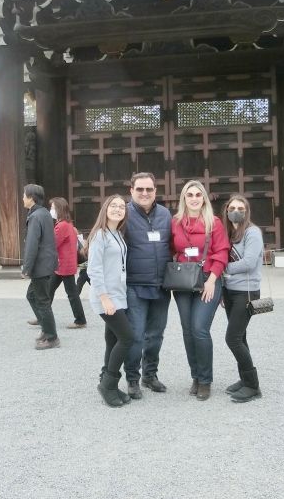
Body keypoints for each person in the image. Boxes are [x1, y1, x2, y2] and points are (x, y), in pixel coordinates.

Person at [170, 180, 229, 401]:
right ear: (184, 198)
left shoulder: (213, 222)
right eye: (189, 195)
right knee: (187, 330)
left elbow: (221, 253)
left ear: (203, 198)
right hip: (183, 280)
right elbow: (169, 249)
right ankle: (195, 375)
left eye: (198, 194)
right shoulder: (175, 223)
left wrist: (212, 280)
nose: (194, 198)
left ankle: (205, 380)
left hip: (207, 279)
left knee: (199, 328)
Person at [123, 172, 173, 399]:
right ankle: (132, 378)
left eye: (149, 189)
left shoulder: (165, 214)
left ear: (155, 191)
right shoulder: (122, 213)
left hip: (162, 286)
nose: (145, 193)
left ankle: (150, 374)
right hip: (135, 285)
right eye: (140, 189)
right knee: (135, 335)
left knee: (156, 335)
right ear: (131, 190)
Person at [87, 194, 133, 407]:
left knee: (113, 340)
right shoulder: (100, 235)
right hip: (106, 296)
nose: (117, 209)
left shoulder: (117, 234)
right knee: (127, 338)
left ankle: (109, 385)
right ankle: (108, 384)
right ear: (105, 209)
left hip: (118, 294)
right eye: (113, 206)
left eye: (121, 206)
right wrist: (104, 298)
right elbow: (94, 270)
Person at [221, 195, 263, 403]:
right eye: (232, 207)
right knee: (241, 337)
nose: (236, 211)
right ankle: (244, 379)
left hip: (246, 292)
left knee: (233, 338)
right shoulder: (230, 233)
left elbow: (248, 263)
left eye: (241, 208)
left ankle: (253, 386)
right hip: (230, 291)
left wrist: (223, 268)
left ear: (247, 211)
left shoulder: (252, 232)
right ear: (227, 210)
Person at [21, 184, 59, 349]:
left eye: (24, 195)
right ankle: (46, 328)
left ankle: (52, 337)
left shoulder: (36, 216)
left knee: (42, 301)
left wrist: (26, 267)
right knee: (32, 295)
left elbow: (32, 244)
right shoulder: (43, 213)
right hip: (47, 263)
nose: (22, 198)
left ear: (31, 197)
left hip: (40, 265)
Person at [47, 197, 87, 329]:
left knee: (71, 293)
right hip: (65, 264)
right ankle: (42, 315)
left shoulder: (62, 226)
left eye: (52, 208)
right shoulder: (68, 224)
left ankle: (80, 320)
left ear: (58, 209)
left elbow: (53, 244)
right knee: (51, 290)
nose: (51, 210)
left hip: (63, 265)